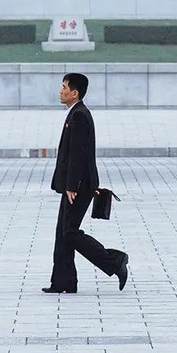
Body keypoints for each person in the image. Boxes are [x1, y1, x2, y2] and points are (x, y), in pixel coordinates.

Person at [44, 72, 129, 295]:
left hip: (79, 186)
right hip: (75, 185)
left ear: (75, 92)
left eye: (64, 87)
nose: (61, 91)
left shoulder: (79, 116)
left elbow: (78, 156)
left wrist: (72, 185)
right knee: (62, 232)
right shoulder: (76, 113)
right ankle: (63, 282)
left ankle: (114, 261)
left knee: (70, 232)